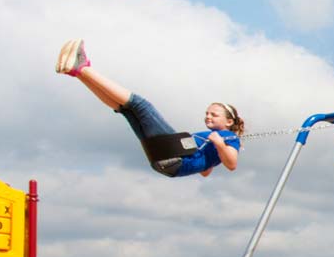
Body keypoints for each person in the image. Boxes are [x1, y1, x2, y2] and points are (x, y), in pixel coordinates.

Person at [55, 39, 242, 178]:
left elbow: (232, 164)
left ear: (229, 121)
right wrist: (208, 157)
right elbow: (205, 172)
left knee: (140, 104)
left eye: (214, 114)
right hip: (165, 162)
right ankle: (77, 73)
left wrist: (218, 144)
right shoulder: (215, 139)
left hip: (174, 158)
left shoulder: (230, 138)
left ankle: (84, 68)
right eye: (207, 113)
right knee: (125, 108)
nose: (208, 117)